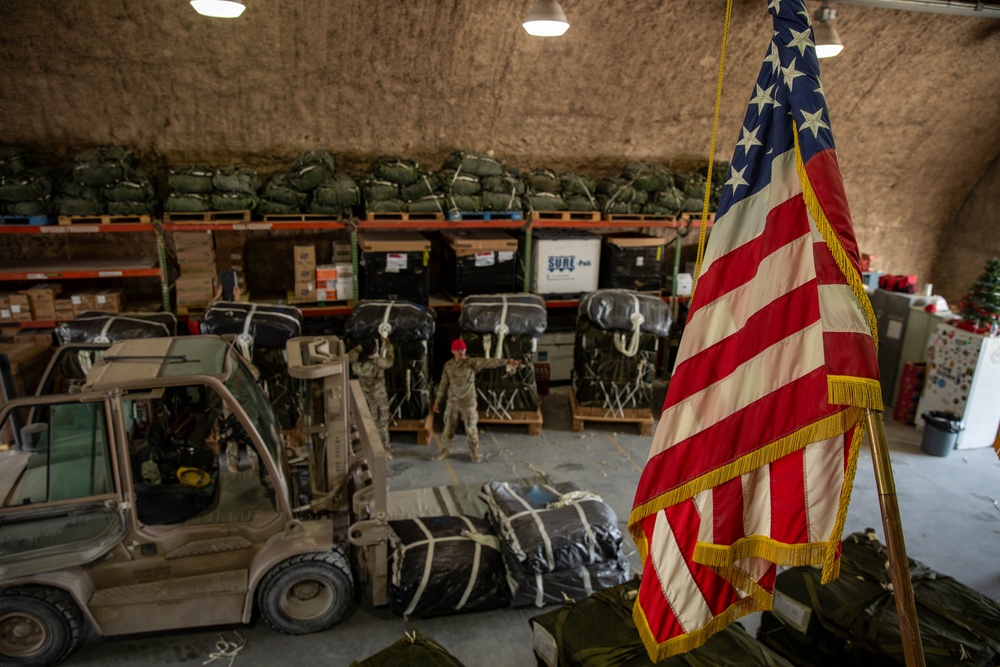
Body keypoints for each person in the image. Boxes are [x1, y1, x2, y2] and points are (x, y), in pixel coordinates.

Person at [431, 338, 521, 463]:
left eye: (463, 349)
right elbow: (443, 384)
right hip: (453, 401)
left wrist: (508, 362)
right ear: (453, 351)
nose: (462, 352)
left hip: (468, 401)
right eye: (458, 350)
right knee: (449, 426)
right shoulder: (448, 366)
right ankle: (445, 450)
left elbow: (489, 362)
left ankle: (473, 451)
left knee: (471, 427)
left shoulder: (472, 362)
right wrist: (437, 401)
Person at [348, 336, 395, 459]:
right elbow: (390, 360)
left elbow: (348, 356)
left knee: (364, 424)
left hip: (365, 400)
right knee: (382, 426)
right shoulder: (379, 363)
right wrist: (389, 346)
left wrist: (360, 347)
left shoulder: (357, 365)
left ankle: (366, 450)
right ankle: (385, 451)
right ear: (374, 350)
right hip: (379, 400)